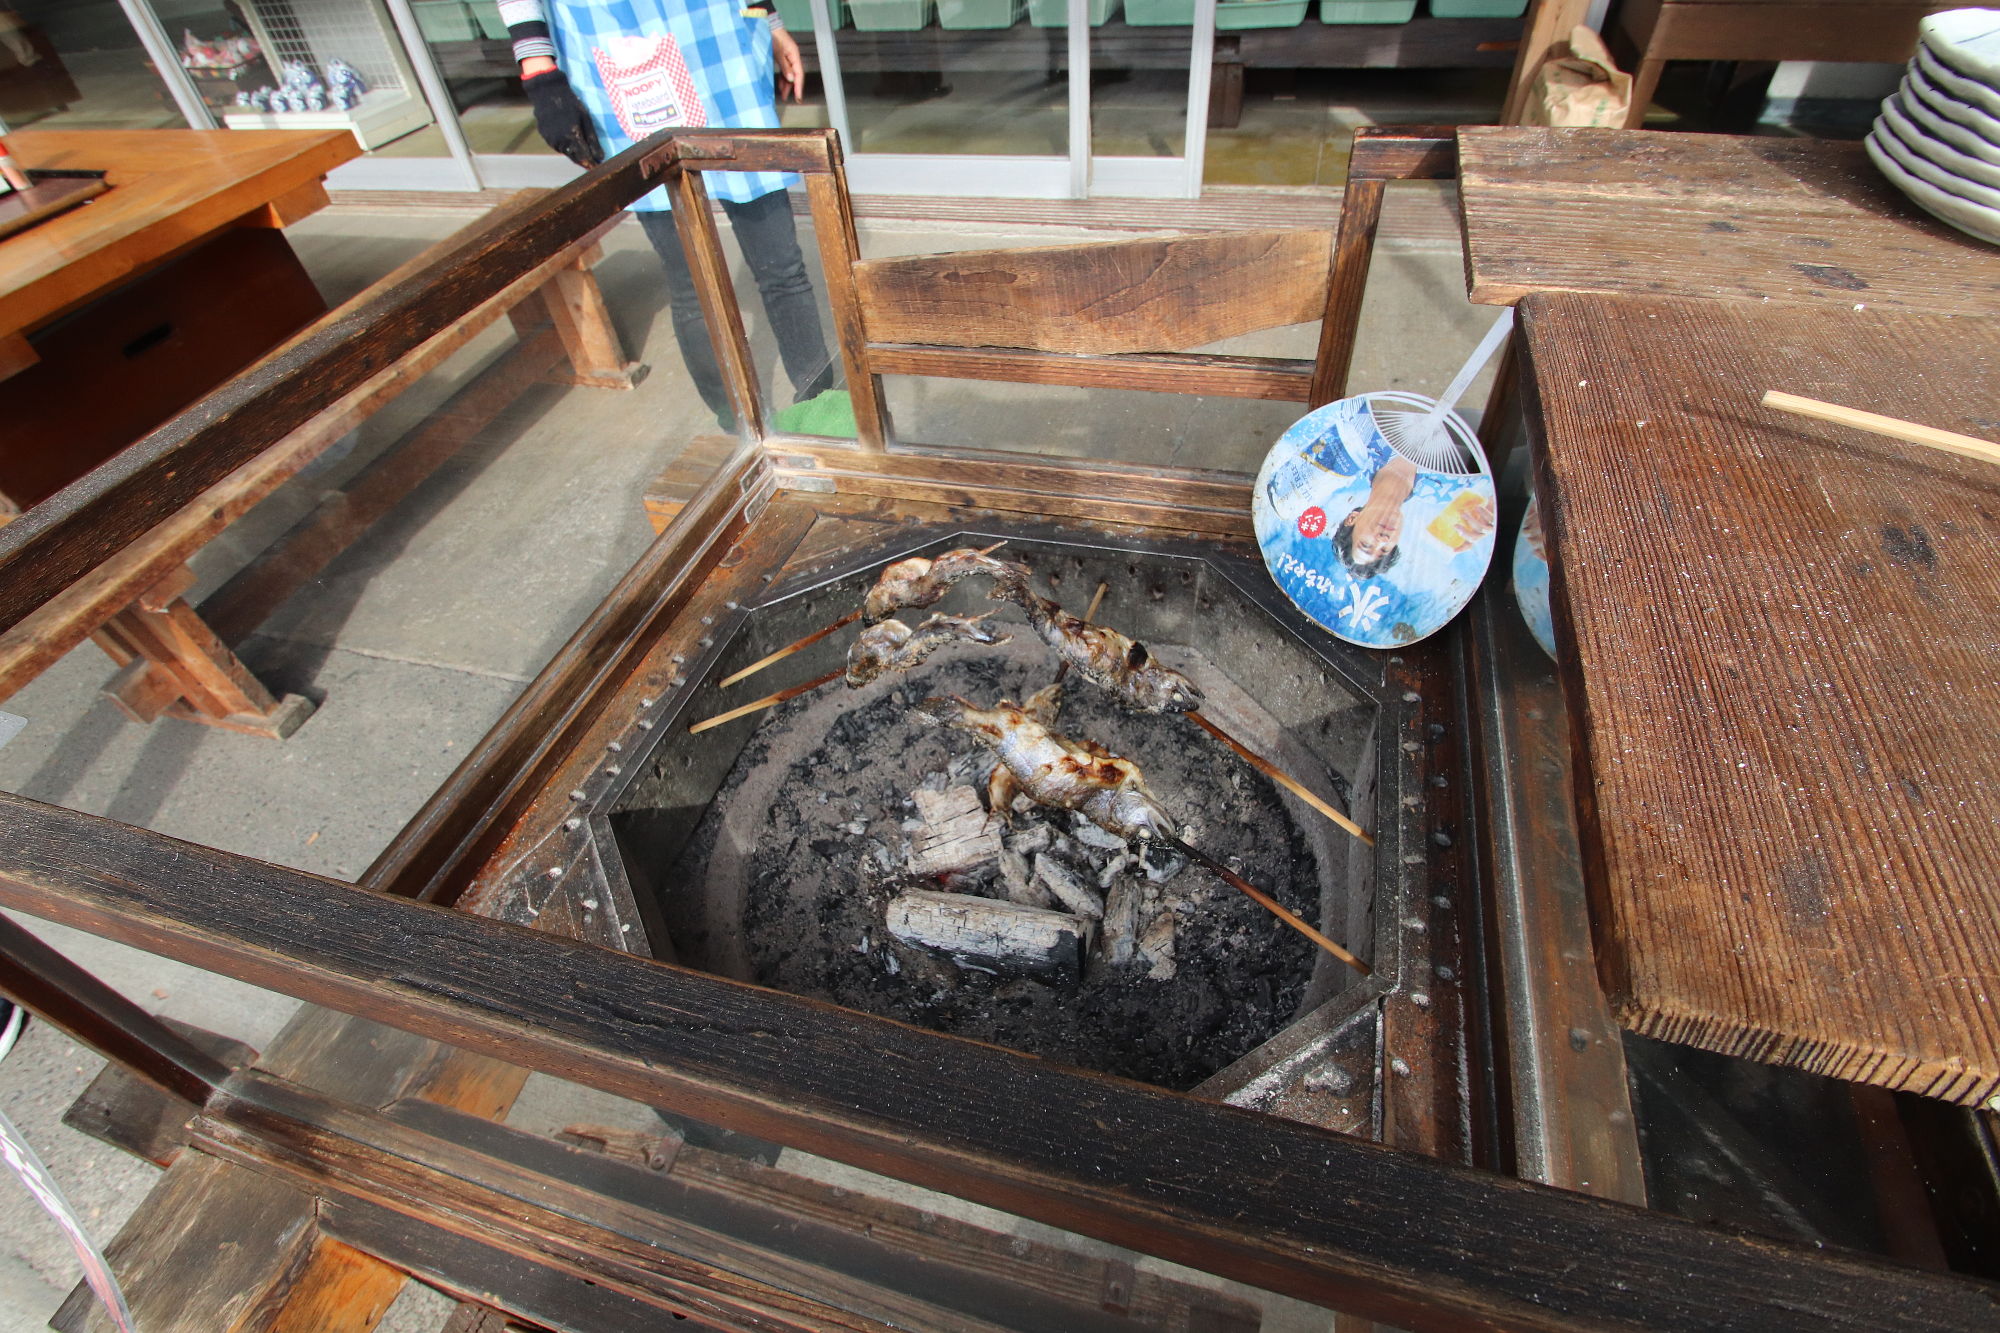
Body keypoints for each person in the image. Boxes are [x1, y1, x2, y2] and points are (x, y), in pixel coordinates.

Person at [500, 0, 836, 426]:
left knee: (782, 266)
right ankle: (741, 427)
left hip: (717, 38)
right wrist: (541, 75)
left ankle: (825, 412)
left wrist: (767, 17)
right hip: (619, 47)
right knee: (691, 283)